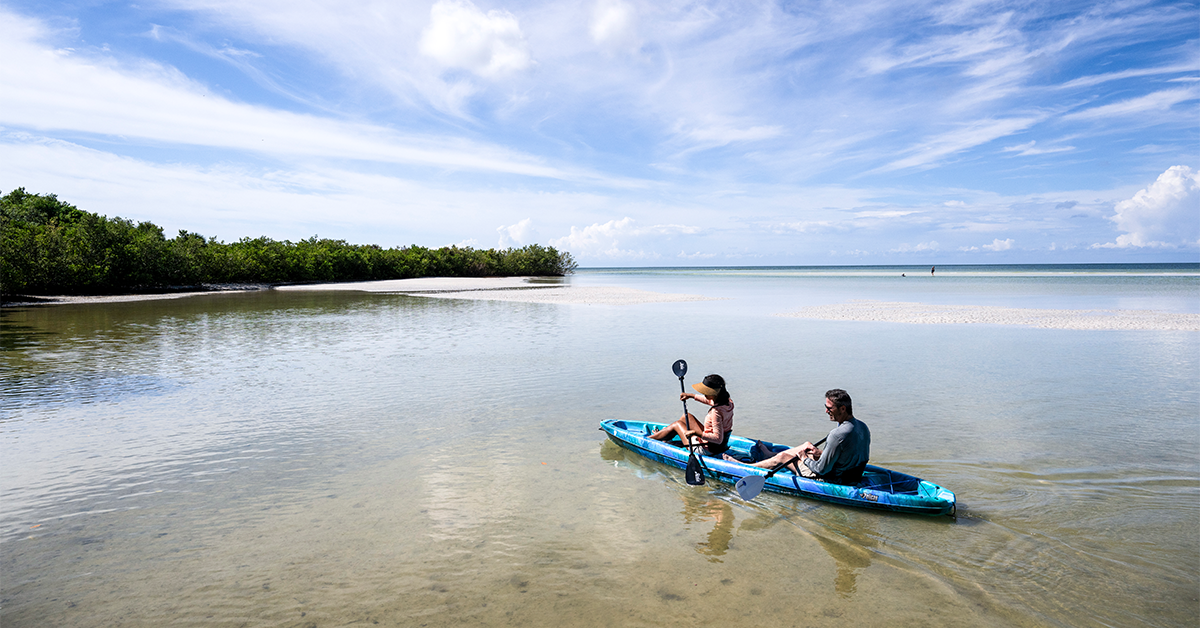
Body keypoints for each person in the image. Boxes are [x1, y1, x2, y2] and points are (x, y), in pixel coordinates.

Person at [728, 389, 869, 485]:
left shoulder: (837, 434)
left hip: (834, 479)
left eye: (829, 408)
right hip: (852, 474)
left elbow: (821, 470)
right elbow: (849, 455)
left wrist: (805, 459)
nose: (826, 411)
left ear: (843, 408)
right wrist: (820, 453)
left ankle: (746, 467)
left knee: (784, 458)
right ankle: (770, 455)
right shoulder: (863, 426)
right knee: (807, 446)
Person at [649, 374, 734, 456]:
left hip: (706, 449)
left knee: (677, 424)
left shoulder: (716, 412)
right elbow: (710, 400)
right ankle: (662, 436)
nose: (704, 394)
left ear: (714, 393)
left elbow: (718, 439)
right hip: (720, 446)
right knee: (686, 416)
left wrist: (696, 433)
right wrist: (691, 396)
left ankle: (651, 438)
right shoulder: (728, 402)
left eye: (706, 392)